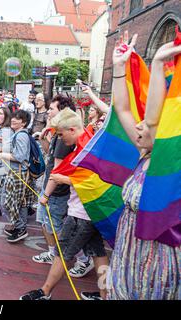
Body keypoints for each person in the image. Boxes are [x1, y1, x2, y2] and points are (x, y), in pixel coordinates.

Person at [107, 32, 181, 300]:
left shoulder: (171, 164)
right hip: (127, 251)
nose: (137, 126)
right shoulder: (144, 153)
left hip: (158, 259)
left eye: (146, 125)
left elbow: (149, 120)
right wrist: (118, 67)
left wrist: (159, 64)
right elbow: (123, 109)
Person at [20, 108, 109, 300]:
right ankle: (105, 295)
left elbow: (96, 181)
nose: (60, 139)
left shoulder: (87, 150)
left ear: (71, 129)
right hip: (91, 212)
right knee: (98, 253)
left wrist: (65, 180)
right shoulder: (88, 145)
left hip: (81, 214)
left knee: (62, 253)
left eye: (61, 134)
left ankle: (45, 292)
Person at [33, 95, 94, 280]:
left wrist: (46, 194)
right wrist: (45, 138)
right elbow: (50, 157)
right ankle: (55, 255)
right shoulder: (59, 136)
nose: (48, 112)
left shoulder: (66, 139)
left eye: (52, 109)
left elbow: (60, 170)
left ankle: (82, 260)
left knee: (58, 229)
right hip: (52, 188)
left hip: (58, 193)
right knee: (48, 224)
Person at [0, 110, 33, 243]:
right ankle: (19, 227)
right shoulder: (18, 134)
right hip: (15, 173)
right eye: (13, 117)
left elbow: (20, 156)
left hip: (18, 174)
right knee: (18, 203)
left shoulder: (21, 135)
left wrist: (2, 155)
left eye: (18, 119)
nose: (13, 120)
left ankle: (20, 228)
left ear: (24, 123)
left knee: (9, 203)